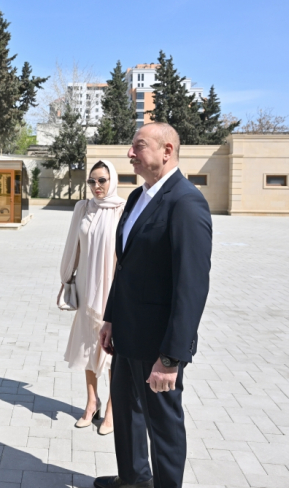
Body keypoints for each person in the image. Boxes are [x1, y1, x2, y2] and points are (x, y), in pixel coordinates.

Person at [95, 123, 212, 488]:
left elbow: (191, 288)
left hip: (158, 345)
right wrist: (111, 319)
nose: (130, 154)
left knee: (163, 429)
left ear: (167, 150)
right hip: (126, 335)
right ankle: (133, 480)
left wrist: (172, 358)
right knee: (127, 416)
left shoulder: (186, 202)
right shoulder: (136, 198)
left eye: (139, 146)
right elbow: (125, 267)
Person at [59, 160, 125, 436]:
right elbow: (71, 245)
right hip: (86, 288)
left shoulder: (123, 209)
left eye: (102, 180)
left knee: (111, 353)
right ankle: (91, 403)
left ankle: (112, 408)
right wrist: (66, 279)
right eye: (92, 181)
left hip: (112, 290)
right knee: (88, 347)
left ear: (113, 181)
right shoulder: (82, 208)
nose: (97, 186)